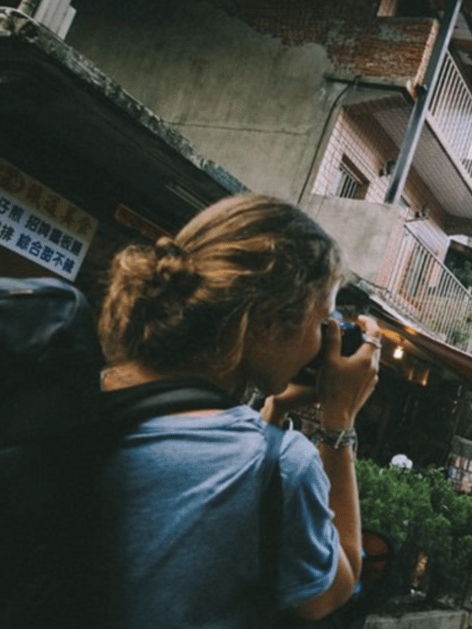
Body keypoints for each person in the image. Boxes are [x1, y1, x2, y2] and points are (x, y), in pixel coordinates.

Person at [95, 194, 381, 627]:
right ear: (267, 321)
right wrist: (339, 420)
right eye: (322, 322)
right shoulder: (283, 465)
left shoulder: (78, 392)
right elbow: (336, 589)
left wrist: (270, 418)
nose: (322, 344)